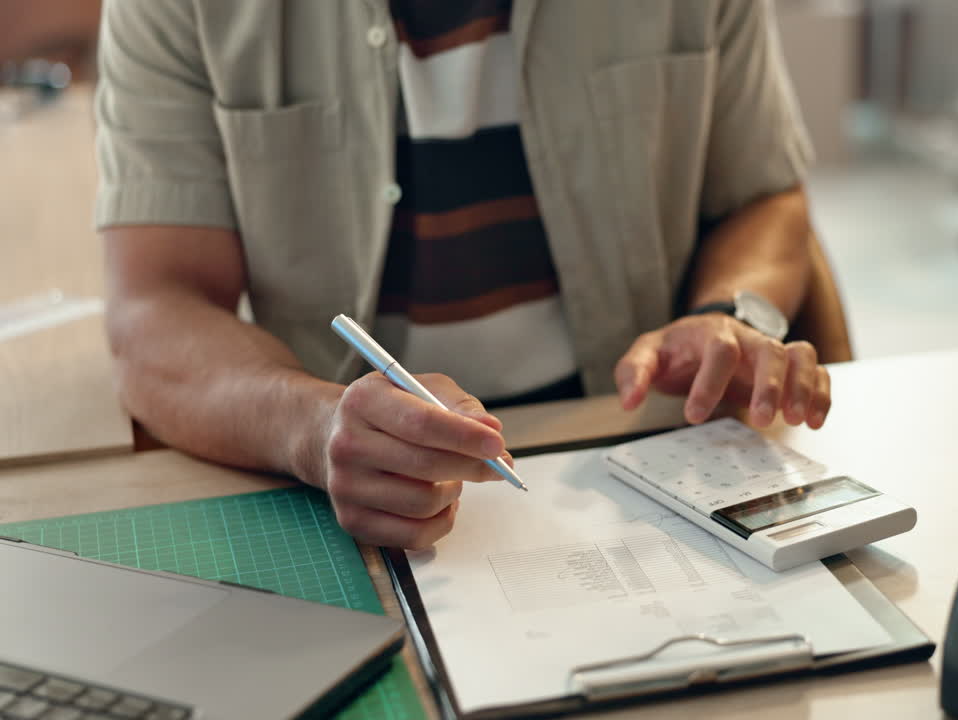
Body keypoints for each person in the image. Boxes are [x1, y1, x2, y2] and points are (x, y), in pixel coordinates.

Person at [96, 0, 832, 550]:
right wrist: (313, 426)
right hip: (346, 490)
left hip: (642, 447)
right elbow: (158, 308)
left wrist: (730, 315)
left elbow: (763, 193)